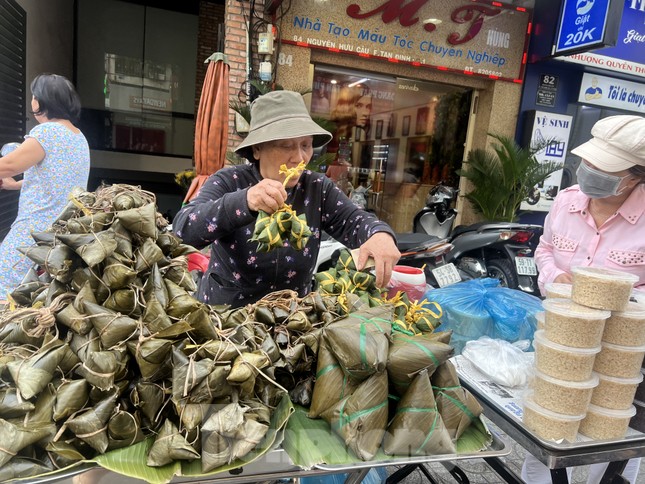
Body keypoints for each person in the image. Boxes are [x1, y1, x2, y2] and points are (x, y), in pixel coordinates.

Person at [172, 90, 400, 308]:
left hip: (291, 321)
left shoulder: (317, 188)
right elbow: (183, 231)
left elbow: (354, 221)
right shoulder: (229, 181)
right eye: (286, 146)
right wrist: (245, 201)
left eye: (306, 145)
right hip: (228, 320)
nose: (299, 158)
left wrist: (379, 234)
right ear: (258, 149)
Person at [525, 115, 645, 484]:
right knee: (546, 426)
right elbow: (544, 249)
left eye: (603, 168)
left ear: (636, 176)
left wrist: (617, 298)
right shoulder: (566, 201)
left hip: (619, 354)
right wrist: (553, 275)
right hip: (563, 341)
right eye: (588, 162)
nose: (589, 171)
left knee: (609, 438)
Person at [0, 74, 90, 302]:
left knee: (6, 288)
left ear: (40, 102)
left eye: (33, 95)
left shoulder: (47, 133)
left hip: (33, 233)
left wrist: (9, 174)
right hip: (63, 237)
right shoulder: (79, 137)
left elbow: (8, 164)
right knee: (37, 298)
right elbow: (60, 180)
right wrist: (18, 185)